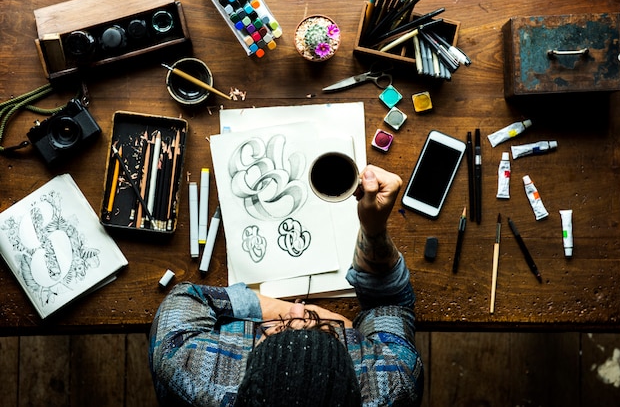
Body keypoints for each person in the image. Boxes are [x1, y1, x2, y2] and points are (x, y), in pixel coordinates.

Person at [149, 165, 423, 406]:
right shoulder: (392, 384)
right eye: (327, 333)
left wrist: (291, 313)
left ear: (243, 376)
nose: (297, 310)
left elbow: (186, 298)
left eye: (273, 333)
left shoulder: (186, 368)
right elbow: (388, 304)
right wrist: (373, 226)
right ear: (356, 381)